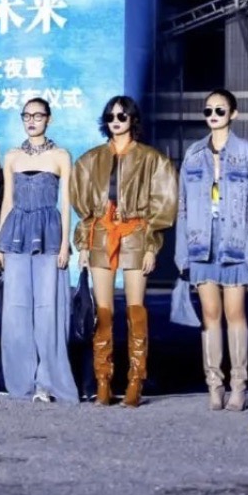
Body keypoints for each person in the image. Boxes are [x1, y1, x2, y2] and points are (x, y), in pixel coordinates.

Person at [71, 95, 177, 407]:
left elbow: (164, 204)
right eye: (111, 116)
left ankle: (135, 381)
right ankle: (103, 380)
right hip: (101, 234)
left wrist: (151, 246)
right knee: (103, 311)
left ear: (132, 119)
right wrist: (83, 245)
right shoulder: (90, 159)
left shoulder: (152, 159)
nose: (116, 121)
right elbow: (84, 209)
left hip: (136, 234)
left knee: (135, 309)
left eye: (122, 116)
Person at [175, 89, 248, 411]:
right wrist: (182, 253)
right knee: (210, 315)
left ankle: (239, 386)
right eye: (208, 110)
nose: (213, 115)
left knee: (235, 314)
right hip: (201, 242)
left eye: (220, 110)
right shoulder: (193, 153)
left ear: (233, 114)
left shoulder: (245, 151)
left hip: (235, 243)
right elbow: (183, 206)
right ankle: (214, 385)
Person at [0, 97, 78, 403]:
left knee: (48, 309)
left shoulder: (60, 156)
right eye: (26, 116)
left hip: (49, 234)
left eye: (37, 116)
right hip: (15, 234)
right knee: (16, 310)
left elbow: (66, 203)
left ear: (48, 119)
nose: (31, 121)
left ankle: (47, 381)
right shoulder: (12, 156)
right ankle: (21, 381)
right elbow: (7, 201)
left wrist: (65, 243)